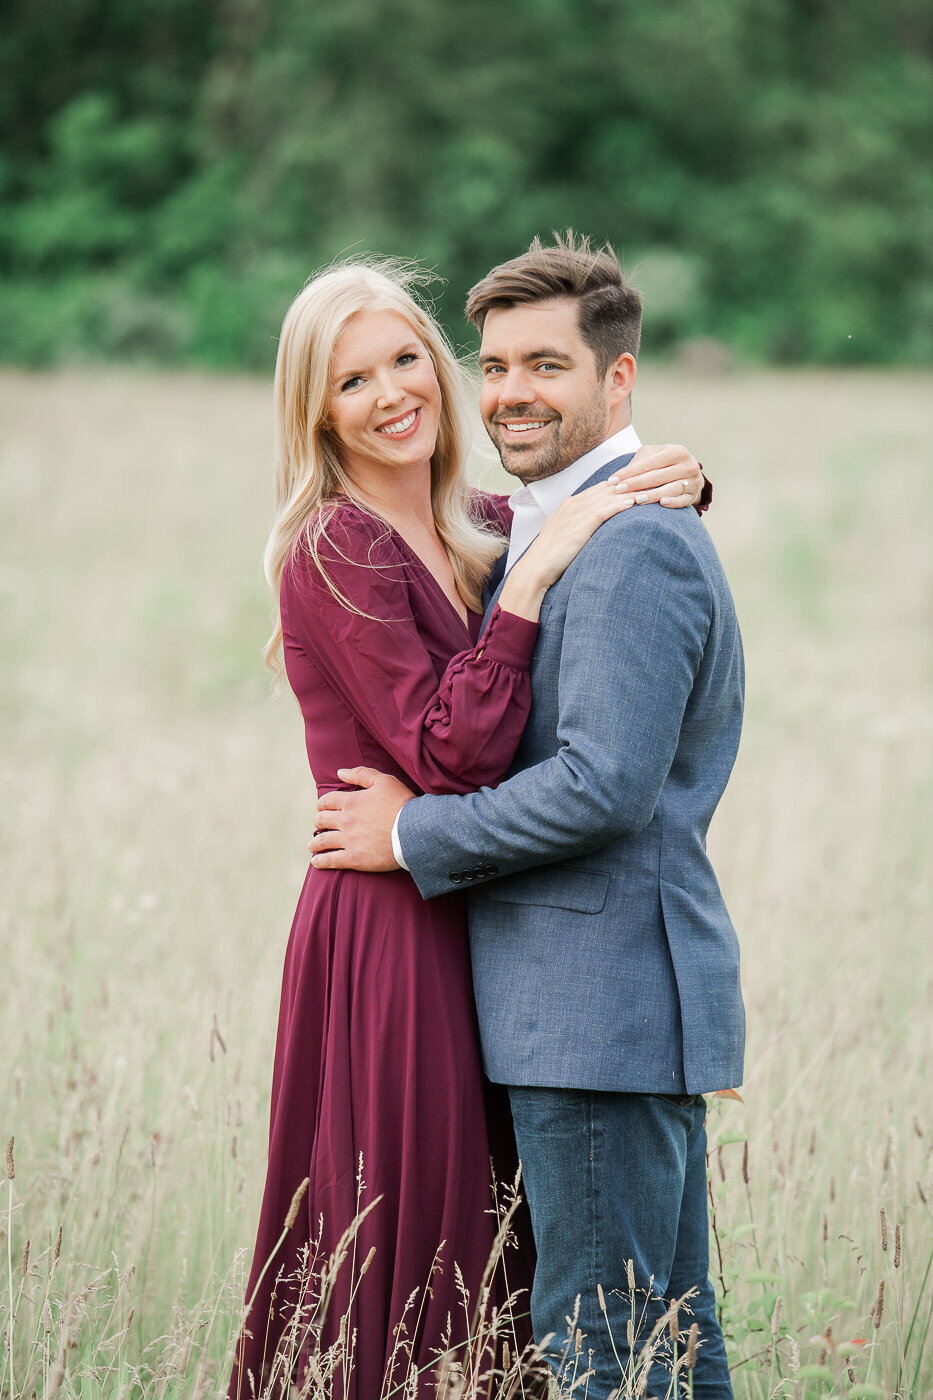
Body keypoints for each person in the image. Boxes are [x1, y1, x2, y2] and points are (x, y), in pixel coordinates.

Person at [229, 256, 710, 1400]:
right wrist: (536, 577)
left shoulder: (485, 517)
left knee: (516, 1245)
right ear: (317, 408)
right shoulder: (335, 546)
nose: (393, 393)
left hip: (485, 911)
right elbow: (449, 752)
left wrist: (663, 479)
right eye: (353, 381)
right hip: (389, 918)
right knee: (416, 1241)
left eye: (408, 359)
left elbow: (594, 519)